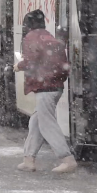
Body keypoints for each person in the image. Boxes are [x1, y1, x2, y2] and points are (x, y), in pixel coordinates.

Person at [14, 9, 76, 174]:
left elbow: (30, 61)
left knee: (47, 123)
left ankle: (67, 159)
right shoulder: (49, 36)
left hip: (44, 86)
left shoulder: (31, 37)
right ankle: (29, 159)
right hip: (56, 86)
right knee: (36, 122)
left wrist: (18, 66)